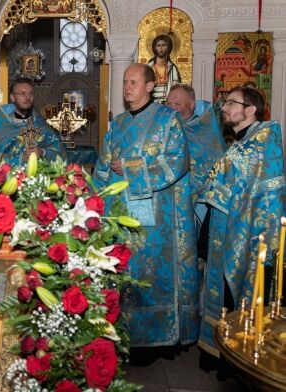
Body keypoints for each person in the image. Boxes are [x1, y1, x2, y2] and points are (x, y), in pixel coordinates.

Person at [92, 64, 199, 349]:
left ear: (150, 86)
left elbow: (178, 161)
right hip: (118, 210)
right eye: (125, 82)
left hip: (152, 212)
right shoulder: (119, 123)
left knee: (147, 273)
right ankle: (120, 335)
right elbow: (103, 166)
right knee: (121, 271)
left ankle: (154, 337)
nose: (127, 87)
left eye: (133, 82)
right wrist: (92, 202)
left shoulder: (167, 119)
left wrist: (130, 167)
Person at [197, 86, 286, 357]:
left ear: (250, 110)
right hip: (223, 228)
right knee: (221, 291)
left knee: (235, 293)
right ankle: (220, 352)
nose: (224, 107)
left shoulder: (262, 143)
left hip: (245, 234)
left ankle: (234, 356)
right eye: (225, 102)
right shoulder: (241, 143)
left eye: (231, 103)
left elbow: (261, 196)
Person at [166, 84, 225, 229]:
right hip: (167, 200)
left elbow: (208, 166)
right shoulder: (163, 129)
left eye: (177, 104)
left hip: (196, 205)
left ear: (192, 105)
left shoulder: (205, 133)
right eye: (168, 104)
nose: (171, 108)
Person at [0, 78, 65, 166]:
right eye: (22, 94)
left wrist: (42, 152)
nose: (28, 98)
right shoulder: (4, 126)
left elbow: (60, 152)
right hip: (12, 178)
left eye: (30, 94)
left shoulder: (41, 124)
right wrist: (20, 158)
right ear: (13, 97)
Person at [147, 34, 181, 103]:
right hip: (151, 103)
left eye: (164, 45)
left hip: (168, 103)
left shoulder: (172, 68)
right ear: (154, 48)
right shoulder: (148, 67)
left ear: (168, 47)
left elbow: (176, 88)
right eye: (158, 45)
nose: (161, 48)